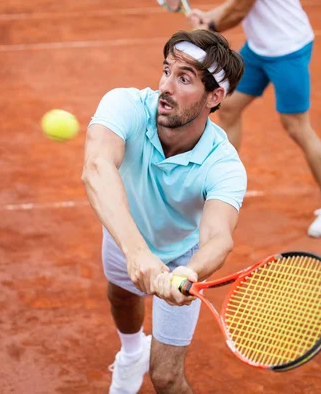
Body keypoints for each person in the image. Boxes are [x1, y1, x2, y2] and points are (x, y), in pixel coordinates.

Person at [82, 29, 246, 394]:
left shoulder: (225, 166)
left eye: (183, 78)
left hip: (182, 256)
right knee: (121, 295)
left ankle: (146, 362)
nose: (165, 87)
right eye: (166, 70)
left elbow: (219, 237)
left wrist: (191, 270)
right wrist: (136, 252)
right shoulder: (125, 104)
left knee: (167, 379)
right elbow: (96, 167)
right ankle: (131, 354)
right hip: (125, 228)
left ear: (214, 97)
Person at [188, 0, 321, 238]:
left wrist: (209, 27)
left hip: (287, 49)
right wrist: (209, 16)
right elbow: (236, 1)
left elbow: (240, 7)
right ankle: (224, 184)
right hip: (258, 48)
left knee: (296, 126)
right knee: (228, 107)